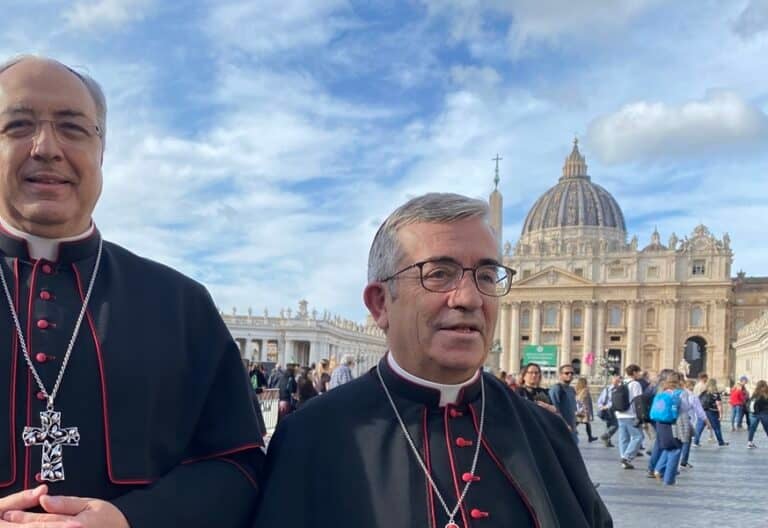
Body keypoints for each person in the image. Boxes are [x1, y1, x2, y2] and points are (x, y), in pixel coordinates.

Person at [0, 56, 263, 526]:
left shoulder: (180, 304)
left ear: (101, 151)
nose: (46, 147)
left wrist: (132, 521)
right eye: (18, 125)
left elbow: (237, 464)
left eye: (73, 128)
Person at [253, 193, 612, 527]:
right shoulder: (311, 435)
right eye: (439, 274)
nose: (470, 298)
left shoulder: (547, 434)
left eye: (486, 276)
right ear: (380, 304)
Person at [650, 373, 690, 486]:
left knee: (668, 448)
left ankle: (658, 469)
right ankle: (669, 479)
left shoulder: (661, 392)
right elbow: (686, 407)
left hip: (660, 423)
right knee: (676, 450)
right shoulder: (681, 393)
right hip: (675, 424)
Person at [615, 364, 645, 469]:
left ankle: (624, 459)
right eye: (639, 372)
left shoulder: (622, 382)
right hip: (630, 414)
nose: (640, 374)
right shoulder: (635, 384)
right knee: (638, 437)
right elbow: (638, 401)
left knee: (624, 438)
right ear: (634, 372)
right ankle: (627, 457)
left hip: (620, 414)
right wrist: (641, 415)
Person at [693, 379, 728, 447]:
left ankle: (695, 442)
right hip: (713, 412)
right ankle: (720, 442)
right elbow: (719, 404)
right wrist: (721, 414)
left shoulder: (703, 393)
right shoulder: (715, 393)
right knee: (716, 427)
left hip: (703, 411)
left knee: (699, 427)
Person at [550, 364, 579, 444]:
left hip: (572, 430)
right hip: (561, 429)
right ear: (560, 375)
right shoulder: (556, 389)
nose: (570, 375)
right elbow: (553, 409)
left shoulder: (571, 389)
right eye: (566, 373)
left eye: (572, 373)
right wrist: (564, 424)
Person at [597, 376, 621, 447]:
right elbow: (601, 400)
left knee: (609, 425)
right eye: (617, 381)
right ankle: (605, 435)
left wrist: (603, 406)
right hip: (609, 410)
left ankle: (607, 441)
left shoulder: (609, 389)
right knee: (615, 425)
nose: (618, 383)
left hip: (611, 409)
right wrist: (602, 407)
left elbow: (600, 400)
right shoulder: (608, 389)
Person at [575, 377, 598, 443]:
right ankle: (590, 437)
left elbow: (577, 399)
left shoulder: (577, 390)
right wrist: (586, 410)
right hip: (584, 410)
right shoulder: (585, 390)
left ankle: (590, 437)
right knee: (583, 422)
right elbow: (583, 400)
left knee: (581, 422)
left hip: (578, 409)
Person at [747, 380, 768, 448]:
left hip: (753, 413)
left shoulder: (755, 393)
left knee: (752, 429)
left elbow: (749, 402)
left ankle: (749, 443)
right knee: (767, 428)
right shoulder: (766, 393)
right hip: (764, 413)